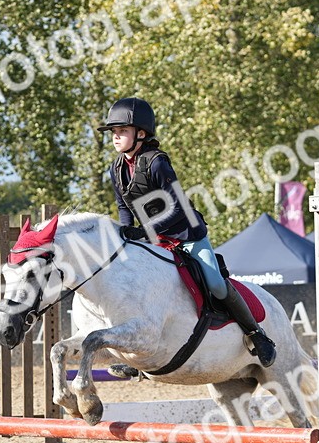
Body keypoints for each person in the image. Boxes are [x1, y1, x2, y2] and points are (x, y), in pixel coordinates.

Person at [99, 97, 275, 366]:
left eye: (122, 131)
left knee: (215, 284)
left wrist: (146, 233)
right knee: (135, 284)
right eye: (114, 132)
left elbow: (176, 206)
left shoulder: (157, 162)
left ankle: (256, 334)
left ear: (141, 134)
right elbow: (124, 206)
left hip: (186, 234)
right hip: (153, 239)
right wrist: (127, 231)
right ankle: (135, 351)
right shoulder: (117, 168)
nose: (116, 136)